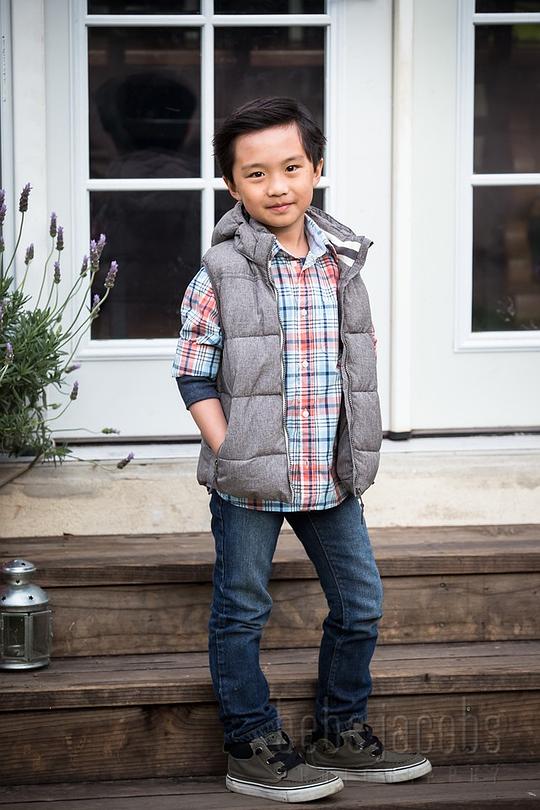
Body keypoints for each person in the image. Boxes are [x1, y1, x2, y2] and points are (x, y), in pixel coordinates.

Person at [172, 96, 432, 803]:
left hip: (329, 474)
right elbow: (193, 373)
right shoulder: (221, 271)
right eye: (256, 174)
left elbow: (354, 364)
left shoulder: (341, 262)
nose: (277, 186)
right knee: (241, 611)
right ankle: (250, 743)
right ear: (232, 185)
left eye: (291, 167)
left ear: (317, 167)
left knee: (361, 604)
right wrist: (233, 451)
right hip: (248, 482)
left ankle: (339, 731)